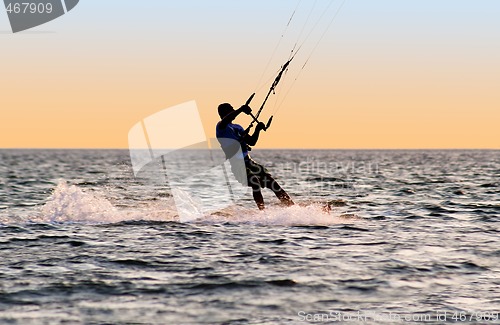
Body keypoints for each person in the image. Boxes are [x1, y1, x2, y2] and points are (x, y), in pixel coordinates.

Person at [216, 102, 294, 210]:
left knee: (272, 182)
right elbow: (230, 117)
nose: (233, 111)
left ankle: (292, 207)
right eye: (231, 109)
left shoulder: (237, 127)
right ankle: (262, 212)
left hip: (249, 162)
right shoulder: (221, 127)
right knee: (255, 182)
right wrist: (241, 109)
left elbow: (252, 141)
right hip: (238, 165)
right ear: (224, 113)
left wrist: (257, 129)